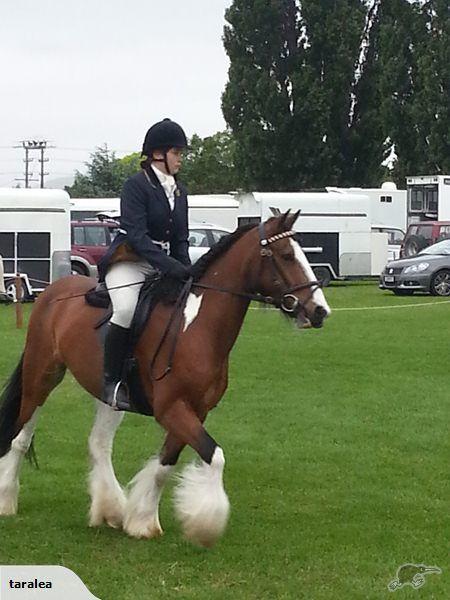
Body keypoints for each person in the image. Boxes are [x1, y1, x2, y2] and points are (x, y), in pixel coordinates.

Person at [97, 118, 192, 410]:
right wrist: (168, 265)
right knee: (125, 309)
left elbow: (181, 238)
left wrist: (187, 270)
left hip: (163, 264)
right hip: (131, 261)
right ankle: (111, 382)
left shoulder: (179, 190)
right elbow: (137, 236)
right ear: (158, 154)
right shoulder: (135, 186)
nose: (180, 160)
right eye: (177, 153)